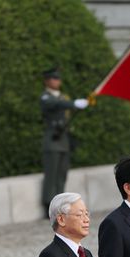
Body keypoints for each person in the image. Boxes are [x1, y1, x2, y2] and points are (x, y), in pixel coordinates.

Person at [40, 68, 89, 216]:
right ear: (47, 81)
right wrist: (74, 103)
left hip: (63, 139)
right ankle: (48, 204)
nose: (56, 81)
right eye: (53, 79)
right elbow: (56, 104)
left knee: (62, 173)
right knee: (51, 173)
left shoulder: (63, 97)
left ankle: (60, 203)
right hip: (52, 138)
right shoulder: (45, 97)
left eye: (58, 79)